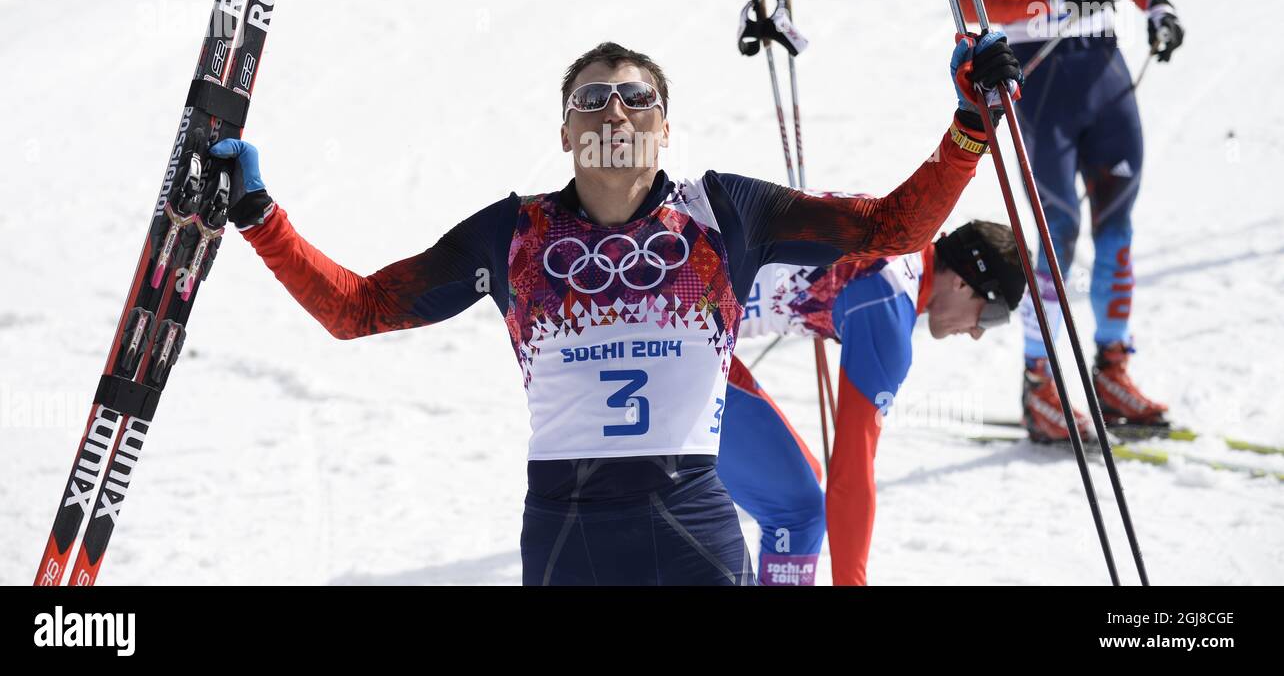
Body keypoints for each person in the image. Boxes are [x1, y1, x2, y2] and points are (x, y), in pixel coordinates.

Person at [209, 36, 1021, 585]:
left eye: (637, 98)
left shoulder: (726, 212)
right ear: (565, 131)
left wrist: (971, 123)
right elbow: (358, 308)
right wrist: (259, 216)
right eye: (593, 99)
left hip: (693, 521)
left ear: (665, 127)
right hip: (570, 534)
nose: (616, 112)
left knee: (798, 503)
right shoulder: (514, 232)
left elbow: (893, 229)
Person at [955, 0, 1184, 442]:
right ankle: (1042, 383)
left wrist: (1160, 7)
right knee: (1059, 230)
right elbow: (972, 0)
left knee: (1117, 221)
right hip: (1038, 78)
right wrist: (1051, 7)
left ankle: (1112, 366)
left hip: (1103, 71)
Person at [718, 221, 1025, 586]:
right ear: (961, 281)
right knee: (795, 509)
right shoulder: (887, 309)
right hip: (673, 331)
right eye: (991, 316)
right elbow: (852, 470)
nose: (977, 333)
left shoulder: (900, 232)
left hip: (670, 309)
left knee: (798, 490)